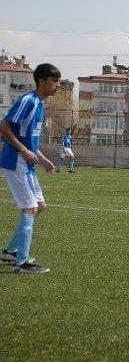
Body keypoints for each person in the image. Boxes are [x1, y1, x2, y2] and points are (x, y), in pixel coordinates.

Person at [0, 63, 60, 273]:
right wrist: (23, 151)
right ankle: (21, 263)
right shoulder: (28, 101)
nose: (57, 85)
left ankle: (12, 250)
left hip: (27, 163)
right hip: (15, 161)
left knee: (39, 206)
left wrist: (42, 159)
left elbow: (30, 142)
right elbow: (4, 126)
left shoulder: (40, 105)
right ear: (42, 81)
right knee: (30, 208)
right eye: (54, 81)